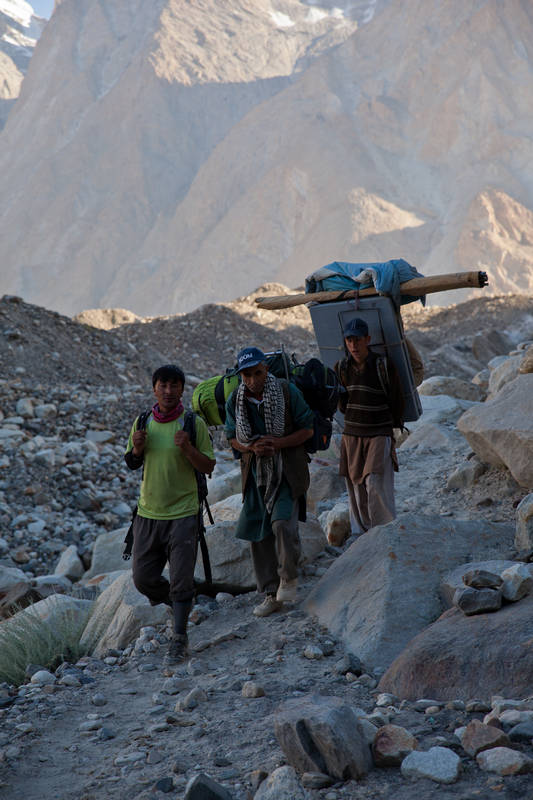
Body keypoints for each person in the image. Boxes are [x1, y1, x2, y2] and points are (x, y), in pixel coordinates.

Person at [124, 364, 215, 664]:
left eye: (174, 385)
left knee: (180, 578)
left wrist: (188, 449)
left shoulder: (192, 423)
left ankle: (179, 638)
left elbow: (208, 466)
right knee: (142, 578)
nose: (168, 390)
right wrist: (137, 450)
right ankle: (181, 604)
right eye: (163, 384)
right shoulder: (142, 421)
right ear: (154, 388)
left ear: (182, 389)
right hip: (148, 513)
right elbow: (132, 463)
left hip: (184, 513)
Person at [225, 347, 314, 617]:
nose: (253, 380)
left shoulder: (286, 392)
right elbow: (231, 436)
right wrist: (252, 448)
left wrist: (278, 444)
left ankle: (288, 578)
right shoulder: (235, 401)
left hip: (286, 469)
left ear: (266, 369)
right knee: (258, 532)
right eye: (247, 375)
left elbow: (307, 428)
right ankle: (269, 593)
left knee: (282, 524)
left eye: (257, 373)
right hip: (254, 474)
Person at [334, 318, 405, 534]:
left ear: (368, 339)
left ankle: (384, 530)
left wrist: (390, 426)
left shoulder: (382, 365)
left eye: (358, 340)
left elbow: (396, 400)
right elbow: (342, 403)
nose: (354, 345)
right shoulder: (342, 367)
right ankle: (362, 533)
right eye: (349, 340)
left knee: (375, 483)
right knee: (356, 486)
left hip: (379, 432)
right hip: (352, 434)